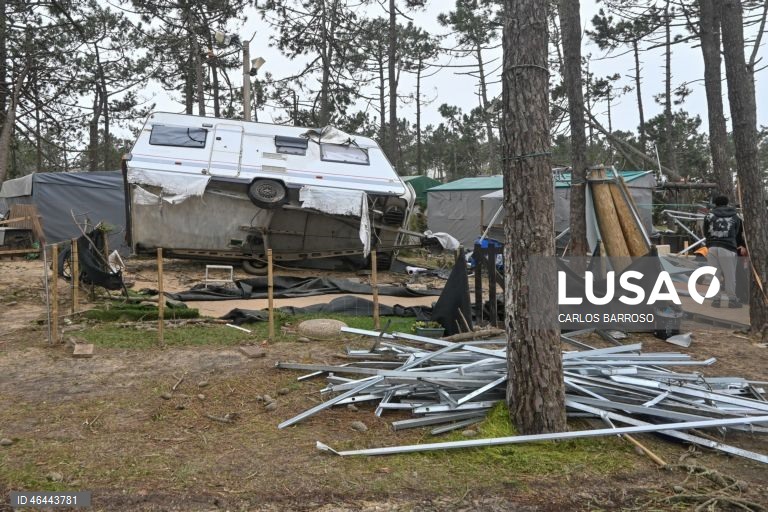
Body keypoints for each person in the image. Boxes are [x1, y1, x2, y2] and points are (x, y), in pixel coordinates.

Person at [703, 195, 746, 308]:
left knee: (714, 275)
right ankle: (732, 300)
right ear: (727, 203)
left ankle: (716, 300)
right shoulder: (735, 216)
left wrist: (710, 242)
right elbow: (737, 232)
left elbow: (705, 232)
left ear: (715, 204)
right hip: (728, 247)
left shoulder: (709, 216)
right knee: (730, 275)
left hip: (712, 247)